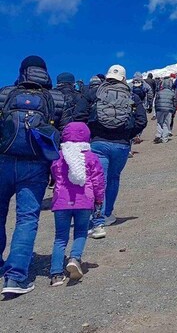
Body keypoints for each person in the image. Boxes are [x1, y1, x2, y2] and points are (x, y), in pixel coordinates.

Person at [0, 56, 63, 296]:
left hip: (3, 161)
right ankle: (15, 278)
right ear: (45, 73)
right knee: (26, 219)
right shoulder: (55, 98)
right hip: (36, 166)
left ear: (23, 72)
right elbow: (63, 134)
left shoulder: (6, 93)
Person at [73, 64, 147, 239]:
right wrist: (128, 134)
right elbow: (142, 120)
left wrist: (90, 133)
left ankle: (96, 218)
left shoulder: (94, 93)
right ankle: (108, 214)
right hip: (121, 145)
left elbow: (78, 115)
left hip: (98, 143)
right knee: (114, 178)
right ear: (123, 78)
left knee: (99, 180)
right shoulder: (131, 96)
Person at [48, 122, 104, 286]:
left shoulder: (58, 156)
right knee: (80, 232)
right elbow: (98, 181)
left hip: (61, 202)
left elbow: (54, 174)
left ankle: (56, 274)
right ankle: (74, 258)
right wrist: (99, 199)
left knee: (60, 238)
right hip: (84, 201)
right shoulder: (91, 157)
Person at [153, 78, 176, 143]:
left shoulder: (159, 92)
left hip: (159, 109)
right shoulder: (172, 93)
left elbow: (156, 102)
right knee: (166, 124)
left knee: (159, 122)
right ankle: (164, 138)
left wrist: (156, 110)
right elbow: (175, 103)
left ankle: (158, 134)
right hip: (169, 110)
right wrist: (173, 111)